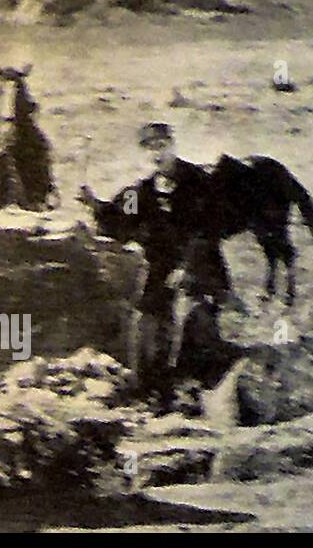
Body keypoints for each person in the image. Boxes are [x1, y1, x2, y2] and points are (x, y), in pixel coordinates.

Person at [77, 122, 231, 403]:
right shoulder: (144, 192)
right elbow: (121, 218)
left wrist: (187, 267)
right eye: (149, 149)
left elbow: (207, 231)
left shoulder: (200, 183)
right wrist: (94, 206)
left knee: (189, 318)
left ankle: (192, 389)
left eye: (161, 146)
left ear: (173, 145)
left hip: (201, 268)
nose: (156, 154)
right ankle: (148, 386)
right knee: (144, 322)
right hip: (160, 271)